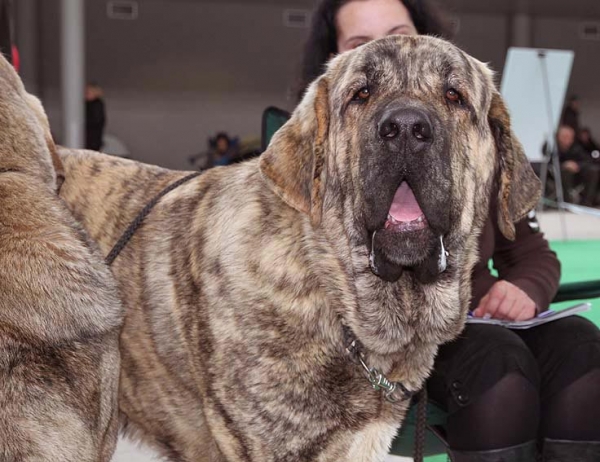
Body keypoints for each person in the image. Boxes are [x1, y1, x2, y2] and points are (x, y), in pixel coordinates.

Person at [298, 1, 600, 461]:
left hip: (482, 319)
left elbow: (534, 252)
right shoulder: (319, 149)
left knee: (582, 345)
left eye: (399, 32)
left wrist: (525, 288)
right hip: (379, 345)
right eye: (362, 44)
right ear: (333, 59)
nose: (388, 51)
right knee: (496, 361)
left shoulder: (479, 144)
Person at [556, 125, 599, 206]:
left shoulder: (576, 148)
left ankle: (587, 202)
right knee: (566, 172)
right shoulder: (552, 148)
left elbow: (587, 160)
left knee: (593, 170)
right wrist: (564, 165)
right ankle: (567, 202)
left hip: (577, 175)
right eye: (565, 137)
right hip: (558, 176)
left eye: (570, 137)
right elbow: (548, 162)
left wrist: (577, 165)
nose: (568, 140)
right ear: (558, 137)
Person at [85, 83, 106, 151]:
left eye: (88, 92)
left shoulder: (96, 105)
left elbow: (96, 120)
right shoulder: (89, 104)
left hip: (92, 138)